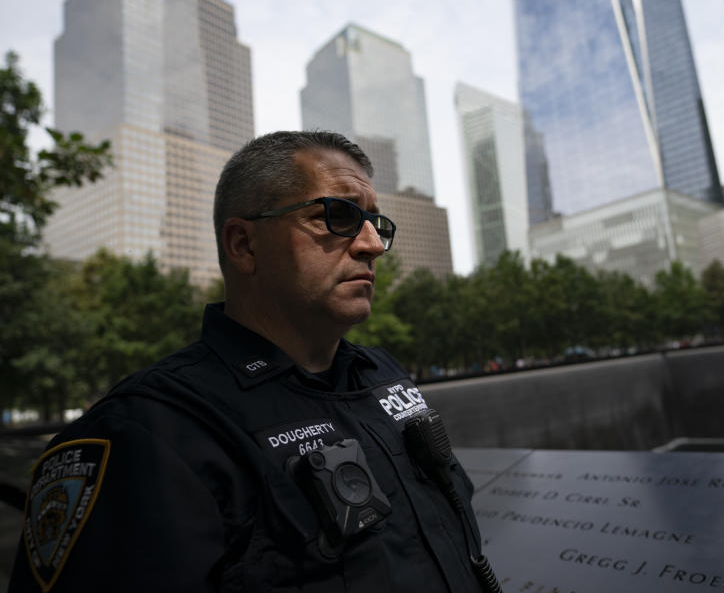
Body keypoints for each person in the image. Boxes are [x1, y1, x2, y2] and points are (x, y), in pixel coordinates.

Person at [10, 131, 494, 592]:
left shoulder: (382, 375)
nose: (371, 245)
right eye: (338, 216)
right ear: (243, 244)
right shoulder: (148, 433)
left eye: (376, 224)